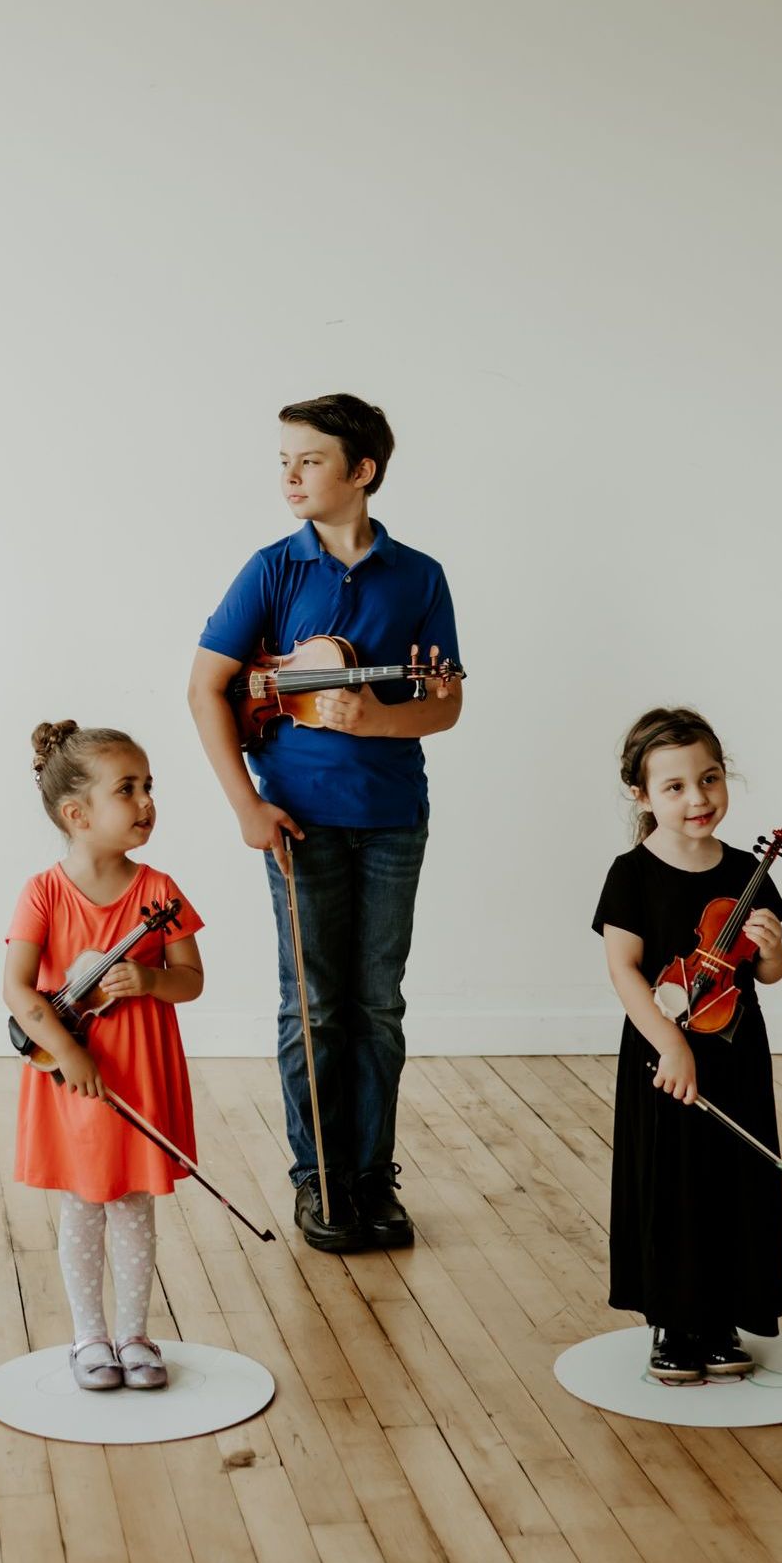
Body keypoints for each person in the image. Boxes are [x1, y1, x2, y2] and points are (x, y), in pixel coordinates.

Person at [188, 392, 462, 1251]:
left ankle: (375, 1177)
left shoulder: (419, 577)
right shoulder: (272, 569)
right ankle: (320, 1181)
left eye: (308, 459)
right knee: (312, 1003)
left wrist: (372, 718)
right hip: (296, 822)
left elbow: (443, 706)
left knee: (377, 1004)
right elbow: (208, 688)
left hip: (391, 820)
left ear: (363, 472)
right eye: (283, 461)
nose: (290, 475)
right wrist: (246, 805)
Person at [592, 707, 782, 1381]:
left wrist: (772, 951)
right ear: (642, 796)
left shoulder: (745, 869)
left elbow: (766, 971)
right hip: (664, 1051)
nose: (698, 798)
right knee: (670, 1183)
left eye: (709, 778)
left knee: (733, 1179)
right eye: (675, 786)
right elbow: (624, 969)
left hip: (735, 1047)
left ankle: (722, 1320)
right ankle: (672, 1324)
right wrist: (670, 1046)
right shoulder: (632, 873)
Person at [3, 723, 205, 1390]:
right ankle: (90, 1335)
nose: (146, 801)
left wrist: (149, 981)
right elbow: (17, 987)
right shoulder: (43, 892)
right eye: (129, 789)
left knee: (134, 1204)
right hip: (80, 1075)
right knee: (85, 1203)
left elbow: (191, 980)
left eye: (149, 787)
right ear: (77, 813)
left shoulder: (158, 891)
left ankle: (135, 1333)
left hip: (138, 1074)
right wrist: (65, 1051)